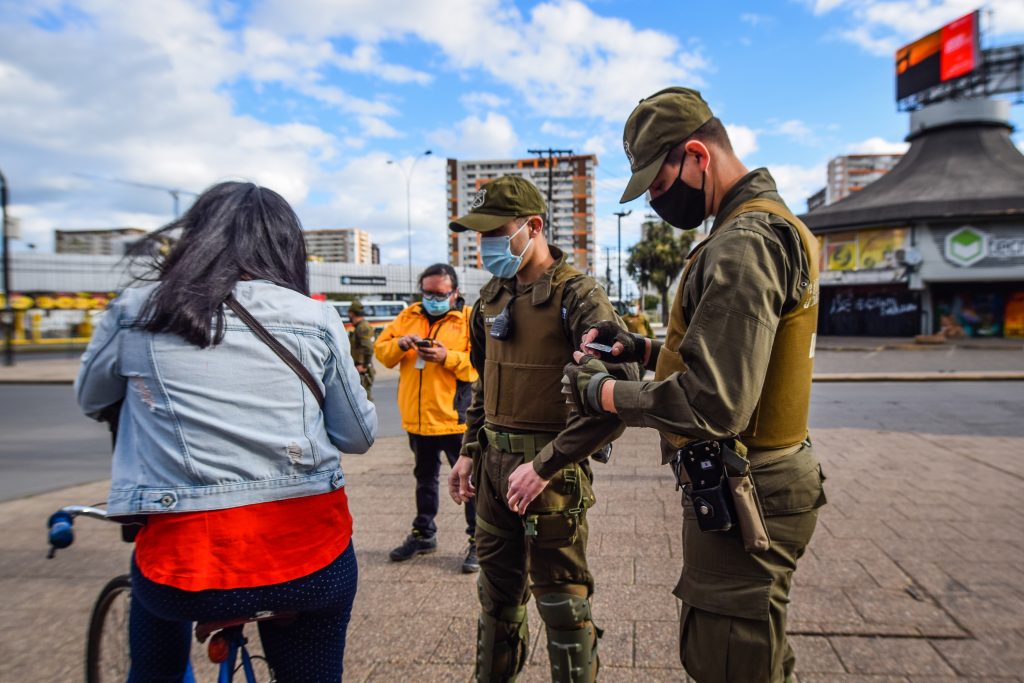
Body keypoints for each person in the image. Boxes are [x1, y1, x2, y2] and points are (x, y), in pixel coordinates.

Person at [564, 87, 827, 682]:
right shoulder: (764, 225)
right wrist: (644, 350)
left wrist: (602, 392)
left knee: (726, 659)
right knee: (755, 650)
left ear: (698, 157)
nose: (658, 200)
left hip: (748, 490)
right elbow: (744, 356)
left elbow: (714, 402)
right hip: (762, 479)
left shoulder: (745, 241)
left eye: (659, 184)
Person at [75, 181, 377, 682]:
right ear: (286, 246)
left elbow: (91, 398)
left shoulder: (137, 309)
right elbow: (358, 437)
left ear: (197, 236)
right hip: (308, 555)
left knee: (153, 645)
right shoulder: (316, 317)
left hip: (185, 563)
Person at [446, 175, 638, 682]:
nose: (486, 246)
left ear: (533, 227)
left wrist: (548, 464)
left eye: (496, 233)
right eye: (479, 237)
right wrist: (469, 449)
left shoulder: (578, 296)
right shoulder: (489, 299)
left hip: (550, 478)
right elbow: (484, 383)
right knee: (496, 600)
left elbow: (618, 394)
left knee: (562, 604)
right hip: (492, 468)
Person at [374, 263, 480, 572]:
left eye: (439, 293)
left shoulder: (469, 318)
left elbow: (480, 363)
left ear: (455, 292)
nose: (431, 298)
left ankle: (478, 542)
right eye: (427, 292)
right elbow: (382, 353)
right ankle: (424, 534)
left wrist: (448, 357)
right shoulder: (408, 316)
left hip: (454, 419)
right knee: (424, 480)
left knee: (468, 484)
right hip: (417, 420)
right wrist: (400, 344)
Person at [348, 299, 376, 401]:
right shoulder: (359, 327)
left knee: (364, 401)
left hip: (363, 371)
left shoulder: (362, 327)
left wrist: (364, 366)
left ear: (352, 313)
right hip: (359, 369)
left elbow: (369, 349)